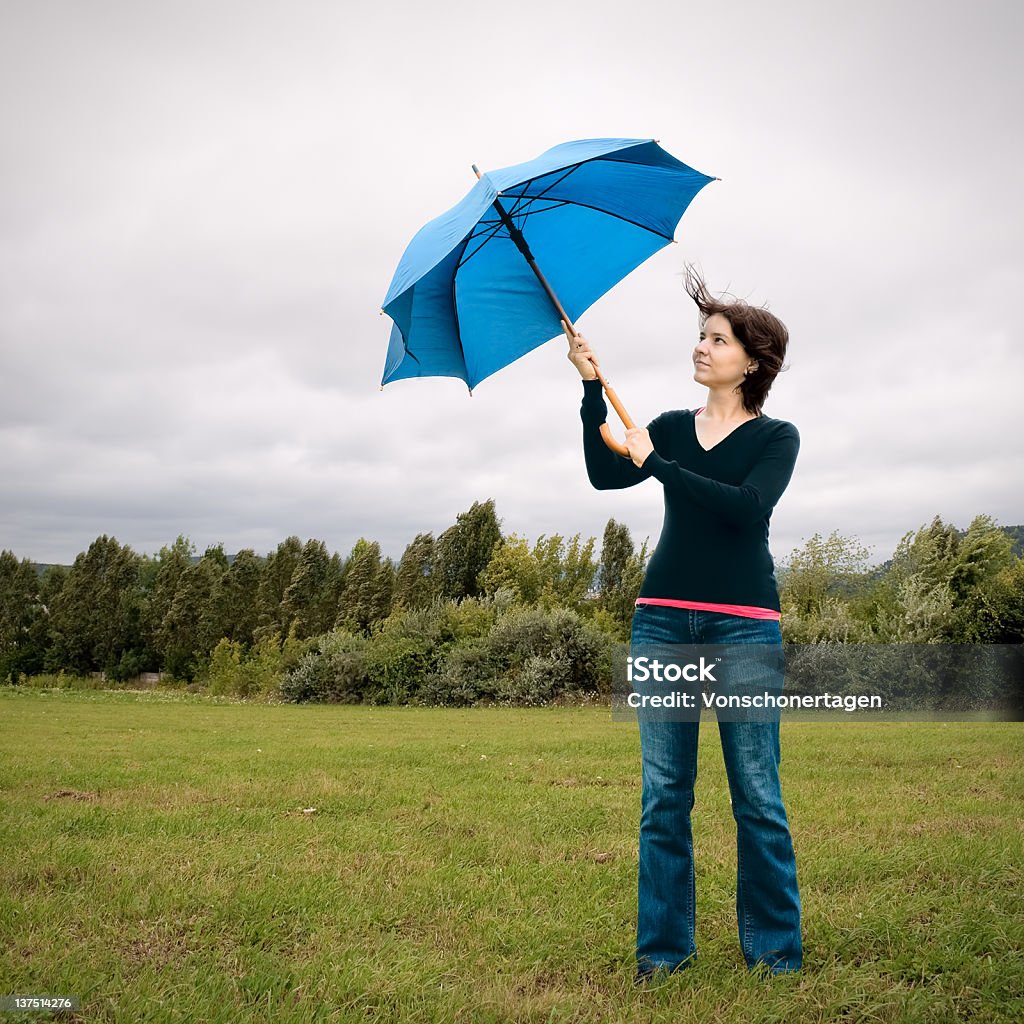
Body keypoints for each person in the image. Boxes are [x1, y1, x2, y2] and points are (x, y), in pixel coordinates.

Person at [566, 264, 802, 979]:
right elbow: (605, 476)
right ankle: (665, 955)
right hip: (662, 621)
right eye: (701, 336)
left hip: (743, 626)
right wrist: (586, 390)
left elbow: (743, 509)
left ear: (753, 361)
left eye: (719, 340)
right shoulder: (667, 427)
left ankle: (775, 953)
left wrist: (659, 467)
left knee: (757, 795)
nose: (702, 347)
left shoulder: (777, 437)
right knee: (664, 797)